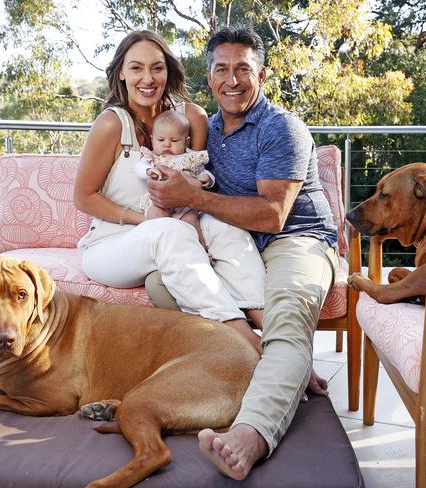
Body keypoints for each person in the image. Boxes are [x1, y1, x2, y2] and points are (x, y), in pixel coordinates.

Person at [146, 24, 339, 480]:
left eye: (243, 69)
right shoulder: (201, 130)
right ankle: (280, 363)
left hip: (296, 240)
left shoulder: (282, 128)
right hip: (234, 244)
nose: (232, 80)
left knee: (288, 311)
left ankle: (251, 433)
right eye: (222, 69)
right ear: (209, 77)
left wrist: (190, 198)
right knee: (161, 283)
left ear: (262, 75)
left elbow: (274, 215)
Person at [73, 29, 264, 352]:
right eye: (136, 68)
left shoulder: (191, 117)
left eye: (156, 68)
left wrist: (184, 207)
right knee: (167, 232)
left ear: (168, 71)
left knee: (224, 225)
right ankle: (246, 342)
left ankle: (275, 332)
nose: (147, 78)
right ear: (121, 73)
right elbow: (84, 197)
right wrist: (145, 220)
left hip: (178, 230)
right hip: (112, 245)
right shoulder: (111, 124)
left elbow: (193, 180)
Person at [135, 110, 213, 250]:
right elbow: (139, 167)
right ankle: (159, 250)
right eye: (161, 140)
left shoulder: (190, 158)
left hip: (184, 203)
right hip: (157, 202)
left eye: (174, 140)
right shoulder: (153, 157)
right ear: (152, 139)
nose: (167, 145)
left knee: (191, 221)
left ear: (186, 141)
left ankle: (200, 249)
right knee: (156, 218)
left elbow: (204, 172)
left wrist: (206, 179)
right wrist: (148, 171)